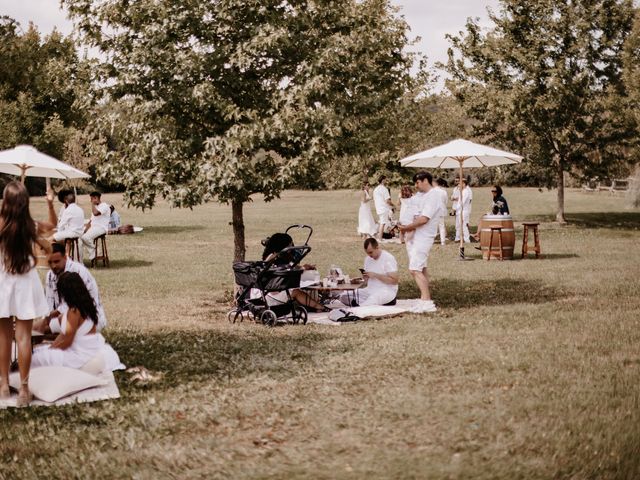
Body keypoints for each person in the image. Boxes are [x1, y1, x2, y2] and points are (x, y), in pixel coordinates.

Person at [0, 181, 52, 407]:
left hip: (2, 281)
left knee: (2, 337)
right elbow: (52, 225)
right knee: (22, 338)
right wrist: (50, 204)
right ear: (25, 202)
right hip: (24, 284)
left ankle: (3, 384)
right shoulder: (31, 226)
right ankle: (23, 388)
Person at [31, 272, 123, 372]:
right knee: (39, 350)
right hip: (87, 349)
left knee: (36, 358)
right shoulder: (87, 306)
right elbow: (63, 335)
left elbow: (66, 341)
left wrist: (50, 351)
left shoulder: (74, 311)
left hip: (79, 355)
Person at [35, 242, 107, 334]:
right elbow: (49, 304)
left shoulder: (78, 271)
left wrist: (46, 321)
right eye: (50, 262)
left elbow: (74, 308)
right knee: (35, 328)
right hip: (66, 317)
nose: (53, 266)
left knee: (39, 331)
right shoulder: (50, 275)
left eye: (56, 261)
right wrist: (44, 321)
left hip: (88, 319)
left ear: (65, 257)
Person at [398, 171, 444, 313]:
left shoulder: (434, 195)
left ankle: (427, 302)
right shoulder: (422, 196)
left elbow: (424, 219)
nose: (416, 186)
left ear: (425, 180)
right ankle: (424, 298)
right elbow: (413, 208)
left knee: (414, 269)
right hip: (416, 235)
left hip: (424, 236)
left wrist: (406, 227)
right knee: (422, 267)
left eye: (417, 182)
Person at [258, 233, 327, 313]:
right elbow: (285, 270)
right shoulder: (272, 258)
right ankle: (320, 307)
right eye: (290, 245)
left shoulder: (277, 256)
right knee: (296, 291)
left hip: (270, 291)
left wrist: (303, 267)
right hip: (271, 296)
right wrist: (302, 268)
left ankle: (314, 305)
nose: (292, 247)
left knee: (301, 285)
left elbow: (291, 266)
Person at [343, 237, 398, 307]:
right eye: (367, 253)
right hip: (370, 290)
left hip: (386, 291)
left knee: (373, 299)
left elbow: (394, 281)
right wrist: (360, 280)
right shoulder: (367, 259)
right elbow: (366, 281)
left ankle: (361, 306)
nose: (369, 255)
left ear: (377, 247)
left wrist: (376, 275)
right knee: (344, 296)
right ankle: (364, 305)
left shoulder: (388, 258)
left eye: (371, 252)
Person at [81, 191, 111, 262]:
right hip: (93, 228)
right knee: (79, 237)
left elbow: (95, 213)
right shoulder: (96, 207)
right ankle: (79, 259)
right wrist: (85, 230)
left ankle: (95, 251)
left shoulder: (104, 206)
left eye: (91, 199)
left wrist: (92, 204)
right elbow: (91, 221)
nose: (91, 201)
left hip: (101, 228)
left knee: (85, 237)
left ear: (96, 198)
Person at [451, 176, 473, 243]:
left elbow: (462, 202)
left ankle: (467, 240)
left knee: (464, 226)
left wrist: (455, 209)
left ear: (464, 184)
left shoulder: (466, 191)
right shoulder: (462, 191)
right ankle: (457, 238)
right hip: (459, 211)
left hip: (464, 211)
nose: (458, 185)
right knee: (458, 225)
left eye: (460, 184)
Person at [373, 175, 394, 239]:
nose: (386, 181)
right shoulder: (384, 189)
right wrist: (393, 205)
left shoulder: (375, 189)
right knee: (383, 223)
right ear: (383, 180)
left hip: (378, 208)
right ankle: (380, 238)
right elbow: (387, 200)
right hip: (383, 208)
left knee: (382, 222)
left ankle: (380, 237)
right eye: (386, 179)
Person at [433, 178, 449, 245]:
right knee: (441, 226)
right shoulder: (444, 191)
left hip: (433, 210)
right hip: (441, 210)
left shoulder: (432, 191)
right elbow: (446, 201)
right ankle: (443, 241)